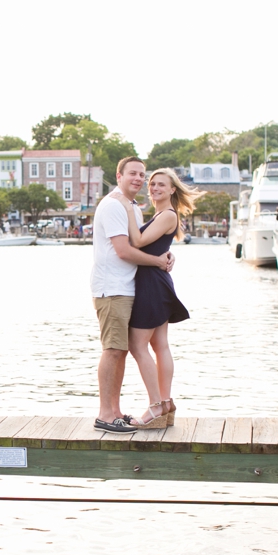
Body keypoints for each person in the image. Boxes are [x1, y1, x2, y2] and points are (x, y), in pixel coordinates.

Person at [111, 167, 201, 428]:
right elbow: (153, 244)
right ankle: (166, 402)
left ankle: (155, 407)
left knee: (138, 346)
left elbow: (137, 242)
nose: (154, 188)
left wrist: (127, 206)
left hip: (151, 285)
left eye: (161, 184)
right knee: (159, 345)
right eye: (152, 184)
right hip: (156, 282)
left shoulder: (167, 215)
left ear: (173, 189)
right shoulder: (163, 215)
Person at [91, 157, 174, 433]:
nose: (139, 179)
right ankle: (105, 414)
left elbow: (145, 244)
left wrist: (164, 255)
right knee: (113, 349)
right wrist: (160, 262)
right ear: (119, 175)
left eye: (142, 174)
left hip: (128, 287)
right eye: (133, 174)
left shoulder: (133, 208)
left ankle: (115, 411)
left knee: (122, 350)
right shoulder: (115, 205)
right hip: (112, 288)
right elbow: (125, 251)